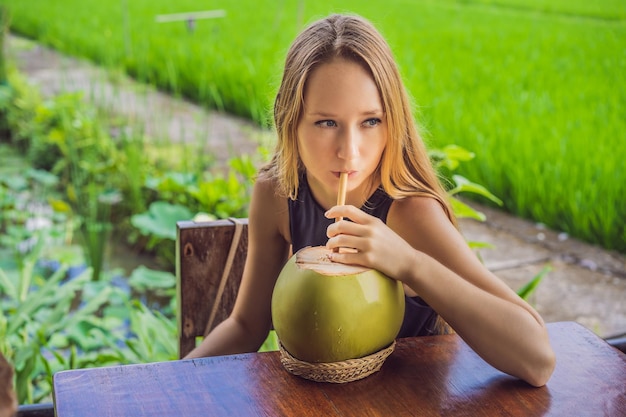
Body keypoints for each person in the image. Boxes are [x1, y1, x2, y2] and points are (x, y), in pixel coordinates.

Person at [186, 13, 556, 387]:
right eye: (326, 123)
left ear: (392, 121)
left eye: (370, 122)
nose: (349, 152)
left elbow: (537, 359)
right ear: (290, 120)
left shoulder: (411, 212)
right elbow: (247, 326)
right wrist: (166, 381)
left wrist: (409, 263)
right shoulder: (278, 193)